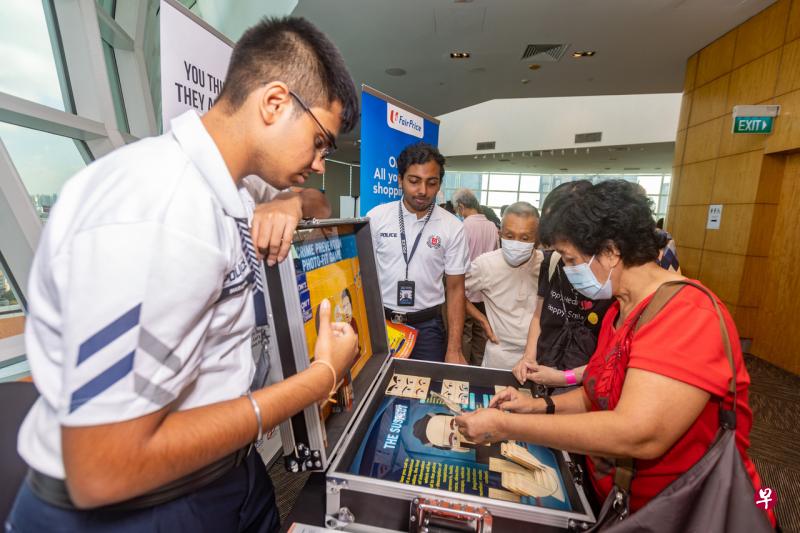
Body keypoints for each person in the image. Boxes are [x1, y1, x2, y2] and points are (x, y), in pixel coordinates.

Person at [8, 17, 360, 533]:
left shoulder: (230, 186)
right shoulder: (160, 212)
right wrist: (319, 379)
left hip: (223, 477)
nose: (319, 161)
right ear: (275, 103)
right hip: (141, 509)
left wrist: (287, 201)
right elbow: (104, 467)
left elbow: (316, 202)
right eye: (319, 140)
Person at [454, 180, 774, 527]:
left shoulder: (687, 314)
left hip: (684, 512)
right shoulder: (619, 311)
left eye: (573, 259)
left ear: (609, 252)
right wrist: (541, 405)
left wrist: (507, 425)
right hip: (622, 505)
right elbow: (598, 394)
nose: (567, 268)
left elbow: (638, 432)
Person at [368, 143, 468, 364]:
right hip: (382, 325)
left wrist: (455, 348)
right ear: (400, 179)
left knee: (426, 391)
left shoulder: (452, 227)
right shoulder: (376, 218)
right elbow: (363, 279)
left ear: (439, 184)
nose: (423, 190)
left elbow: (455, 288)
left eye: (431, 183)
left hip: (427, 329)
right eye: (414, 181)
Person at [511, 181, 613, 392]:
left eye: (570, 258)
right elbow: (539, 315)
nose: (567, 264)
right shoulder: (552, 263)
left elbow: (612, 363)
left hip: (584, 384)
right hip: (546, 368)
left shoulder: (613, 282)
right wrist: (529, 357)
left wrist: (563, 378)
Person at [464, 202, 544, 370]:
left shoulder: (546, 264)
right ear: (499, 234)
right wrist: (481, 319)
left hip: (538, 355)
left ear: (537, 238)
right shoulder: (486, 264)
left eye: (524, 238)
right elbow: (454, 291)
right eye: (509, 236)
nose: (516, 243)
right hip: (499, 356)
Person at [452, 188, 499, 365]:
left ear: (461, 207)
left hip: (465, 291)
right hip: (485, 292)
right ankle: (479, 370)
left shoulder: (462, 227)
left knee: (464, 333)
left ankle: (463, 371)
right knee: (482, 335)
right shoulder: (492, 226)